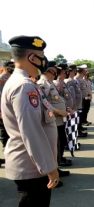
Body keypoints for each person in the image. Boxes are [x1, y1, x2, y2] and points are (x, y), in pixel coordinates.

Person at [1, 35, 59, 206]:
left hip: (33, 164)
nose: (44, 62)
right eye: (41, 57)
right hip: (32, 166)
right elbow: (31, 131)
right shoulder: (24, 86)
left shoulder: (25, 83)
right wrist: (49, 167)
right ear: (32, 58)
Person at [37, 63, 72, 169]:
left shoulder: (49, 82)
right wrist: (60, 112)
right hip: (53, 119)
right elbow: (44, 104)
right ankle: (56, 165)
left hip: (58, 118)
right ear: (48, 71)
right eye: (54, 71)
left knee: (60, 142)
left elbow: (56, 100)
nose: (55, 74)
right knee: (55, 144)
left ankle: (58, 162)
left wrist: (64, 109)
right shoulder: (43, 83)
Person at [0, 61, 14, 167]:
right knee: (5, 133)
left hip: (8, 110)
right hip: (3, 111)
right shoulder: (2, 78)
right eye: (10, 67)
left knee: (8, 133)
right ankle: (7, 154)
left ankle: (8, 154)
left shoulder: (11, 77)